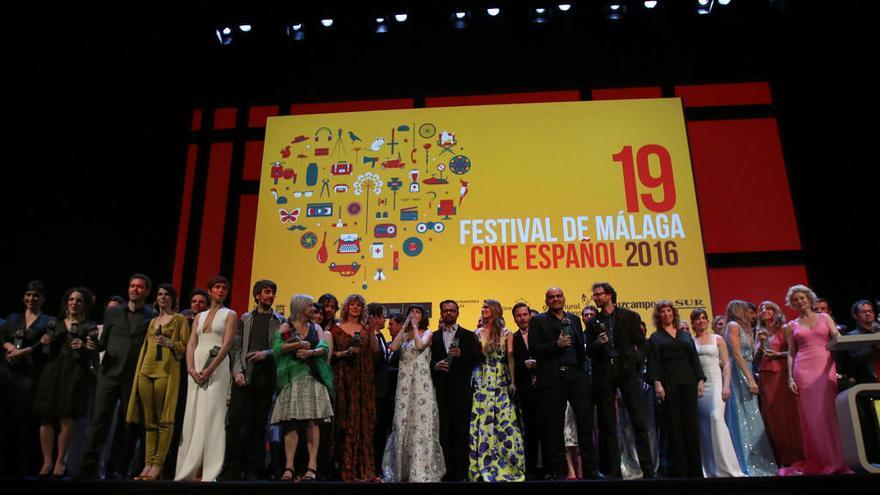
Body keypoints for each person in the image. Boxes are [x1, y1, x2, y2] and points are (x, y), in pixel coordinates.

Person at [79, 274, 155, 480]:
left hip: (134, 376)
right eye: (132, 286)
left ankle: (116, 469)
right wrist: (94, 346)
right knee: (99, 422)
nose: (135, 289)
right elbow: (103, 342)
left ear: (147, 291)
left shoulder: (152, 316)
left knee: (128, 426)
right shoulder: (112, 312)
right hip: (109, 374)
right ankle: (87, 469)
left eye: (140, 287)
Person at [585, 282, 655, 478]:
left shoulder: (629, 316)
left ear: (609, 295)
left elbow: (642, 345)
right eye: (595, 296)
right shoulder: (592, 323)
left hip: (627, 372)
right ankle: (615, 471)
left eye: (599, 295)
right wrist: (597, 344)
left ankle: (648, 470)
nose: (596, 298)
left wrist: (636, 361)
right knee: (608, 423)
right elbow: (589, 351)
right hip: (605, 374)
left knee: (638, 420)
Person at [529, 287, 597, 480]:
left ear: (564, 299)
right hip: (553, 378)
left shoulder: (574, 319)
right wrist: (555, 345)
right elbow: (534, 349)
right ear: (546, 301)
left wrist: (583, 372)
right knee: (554, 427)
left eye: (558, 296)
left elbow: (580, 350)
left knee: (585, 423)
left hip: (577, 376)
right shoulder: (538, 321)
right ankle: (560, 472)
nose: (555, 299)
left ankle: (590, 471)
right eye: (551, 297)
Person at [175, 276, 237, 481]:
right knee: (193, 414)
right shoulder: (199, 316)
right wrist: (191, 368)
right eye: (217, 288)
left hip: (217, 367)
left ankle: (209, 469)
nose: (221, 291)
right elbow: (192, 343)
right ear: (210, 291)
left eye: (224, 288)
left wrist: (209, 370)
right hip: (197, 366)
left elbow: (227, 345)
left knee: (212, 414)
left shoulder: (230, 314)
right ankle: (191, 467)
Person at [124, 283, 189, 480]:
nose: (162, 297)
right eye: (160, 294)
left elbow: (185, 347)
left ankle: (158, 464)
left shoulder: (179, 320)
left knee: (164, 420)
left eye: (167, 294)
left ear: (173, 298)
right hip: (146, 371)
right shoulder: (152, 322)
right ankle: (147, 463)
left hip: (165, 373)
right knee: (149, 421)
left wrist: (171, 344)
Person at [785, 285, 851, 474]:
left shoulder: (825, 317)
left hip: (825, 367)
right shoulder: (792, 325)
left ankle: (837, 459)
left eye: (802, 298)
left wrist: (839, 337)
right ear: (792, 303)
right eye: (796, 299)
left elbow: (836, 337)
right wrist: (790, 378)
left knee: (829, 413)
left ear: (809, 298)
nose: (800, 301)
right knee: (812, 417)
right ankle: (821, 459)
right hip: (803, 370)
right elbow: (791, 352)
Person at [32, 287, 97, 478]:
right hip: (52, 372)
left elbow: (94, 355)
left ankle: (60, 461)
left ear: (84, 304)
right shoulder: (54, 324)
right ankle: (47, 461)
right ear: (66, 303)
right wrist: (45, 342)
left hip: (74, 373)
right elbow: (43, 352)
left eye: (78, 300)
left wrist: (85, 347)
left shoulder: (90, 327)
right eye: (71, 299)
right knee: (45, 416)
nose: (74, 303)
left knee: (66, 417)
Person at [223, 280, 283, 481]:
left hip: (265, 378)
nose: (270, 295)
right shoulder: (246, 318)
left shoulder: (280, 320)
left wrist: (266, 354)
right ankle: (232, 468)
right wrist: (237, 371)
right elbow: (237, 347)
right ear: (257, 295)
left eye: (273, 292)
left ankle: (253, 470)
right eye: (267, 292)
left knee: (258, 426)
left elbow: (283, 348)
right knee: (237, 424)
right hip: (244, 377)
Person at [271, 294, 334, 482]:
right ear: (299, 308)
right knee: (291, 422)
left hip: (313, 378)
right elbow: (277, 348)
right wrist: (298, 344)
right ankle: (289, 466)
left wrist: (310, 352)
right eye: (310, 306)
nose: (314, 310)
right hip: (292, 380)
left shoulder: (316, 327)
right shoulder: (287, 327)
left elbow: (324, 347)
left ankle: (312, 466)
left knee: (312, 422)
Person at [382, 305, 445, 482]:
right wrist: (404, 328)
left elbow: (419, 345)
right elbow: (393, 347)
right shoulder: (406, 334)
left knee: (421, 423)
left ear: (423, 316)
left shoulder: (428, 333)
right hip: (404, 384)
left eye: (417, 312)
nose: (414, 315)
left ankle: (420, 470)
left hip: (422, 383)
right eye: (412, 312)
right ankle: (402, 469)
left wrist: (415, 327)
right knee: (403, 422)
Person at [0, 280, 53, 478]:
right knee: (6, 419)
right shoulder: (12, 318)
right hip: (7, 374)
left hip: (31, 375)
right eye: (29, 295)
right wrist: (9, 348)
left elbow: (45, 344)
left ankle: (24, 466)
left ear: (43, 299)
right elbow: (2, 336)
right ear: (24, 297)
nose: (31, 299)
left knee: (24, 421)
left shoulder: (48, 321)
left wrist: (22, 352)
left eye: (36, 296)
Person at [468, 299, 525, 482]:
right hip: (483, 380)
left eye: (487, 307)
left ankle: (509, 465)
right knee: (483, 423)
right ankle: (483, 466)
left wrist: (513, 381)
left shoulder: (506, 333)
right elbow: (475, 359)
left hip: (501, 379)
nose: (483, 309)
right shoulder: (476, 334)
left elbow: (510, 358)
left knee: (505, 423)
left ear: (495, 310)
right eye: (482, 307)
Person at [647, 301, 705, 478]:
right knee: (674, 426)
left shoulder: (685, 335)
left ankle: (695, 470)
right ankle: (680, 469)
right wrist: (657, 383)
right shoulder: (656, 337)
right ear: (659, 316)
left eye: (669, 311)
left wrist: (700, 380)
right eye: (663, 312)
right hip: (669, 384)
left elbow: (694, 358)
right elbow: (654, 361)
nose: (666, 314)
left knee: (691, 425)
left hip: (688, 382)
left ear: (674, 314)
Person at [723, 300, 777, 476]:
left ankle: (758, 459)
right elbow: (736, 354)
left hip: (747, 369)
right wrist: (749, 379)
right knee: (742, 414)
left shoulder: (746, 329)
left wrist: (761, 344)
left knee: (752, 415)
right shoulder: (732, 326)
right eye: (746, 310)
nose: (750, 313)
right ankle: (745, 461)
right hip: (739, 373)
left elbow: (752, 356)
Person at [330, 294, 381, 481]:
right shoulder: (335, 329)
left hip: (363, 382)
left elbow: (375, 352)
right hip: (343, 380)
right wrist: (344, 353)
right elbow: (330, 355)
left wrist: (373, 331)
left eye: (359, 305)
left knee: (364, 424)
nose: (355, 308)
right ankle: (343, 469)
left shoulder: (366, 329)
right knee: (344, 422)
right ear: (346, 307)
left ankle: (365, 470)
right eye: (352, 304)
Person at [690, 308, 743, 477]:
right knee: (705, 426)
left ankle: (727, 466)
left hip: (717, 384)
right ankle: (710, 468)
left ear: (707, 321)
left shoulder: (717, 339)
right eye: (697, 319)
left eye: (704, 318)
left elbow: (727, 363)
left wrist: (726, 386)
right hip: (700, 387)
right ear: (693, 323)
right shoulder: (691, 341)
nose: (701, 321)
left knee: (717, 418)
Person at [431, 299, 480, 481]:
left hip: (461, 393)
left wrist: (463, 355)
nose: (449, 313)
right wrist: (435, 365)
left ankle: (461, 473)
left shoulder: (467, 335)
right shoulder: (434, 336)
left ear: (458, 313)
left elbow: (477, 358)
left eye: (452, 310)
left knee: (461, 433)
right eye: (445, 310)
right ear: (441, 313)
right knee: (444, 433)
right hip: (441, 393)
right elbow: (428, 361)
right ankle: (447, 471)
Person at [755, 301, 806, 475]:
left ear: (776, 311)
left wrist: (778, 355)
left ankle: (796, 458)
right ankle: (781, 459)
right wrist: (761, 344)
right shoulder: (760, 332)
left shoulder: (784, 329)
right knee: (772, 416)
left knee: (786, 416)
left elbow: (796, 352)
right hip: (765, 375)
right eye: (762, 308)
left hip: (782, 373)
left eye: (768, 308)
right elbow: (756, 357)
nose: (764, 311)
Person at [511, 303, 540, 480]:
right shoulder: (512, 338)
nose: (522, 318)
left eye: (525, 314)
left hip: (544, 387)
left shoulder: (540, 334)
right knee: (529, 430)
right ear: (514, 318)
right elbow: (511, 363)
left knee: (547, 430)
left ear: (530, 315)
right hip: (525, 389)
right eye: (518, 315)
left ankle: (550, 469)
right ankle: (530, 470)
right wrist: (524, 365)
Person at [367, 302, 391, 478]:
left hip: (383, 393)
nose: (385, 320)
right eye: (383, 316)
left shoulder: (381, 336)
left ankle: (378, 468)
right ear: (374, 318)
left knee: (381, 432)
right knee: (372, 433)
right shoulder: (367, 336)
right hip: (371, 391)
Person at [837, 300, 879, 385]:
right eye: (864, 311)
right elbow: (855, 359)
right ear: (855, 316)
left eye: (870, 311)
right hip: (864, 382)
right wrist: (872, 343)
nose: (868, 313)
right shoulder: (851, 337)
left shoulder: (878, 332)